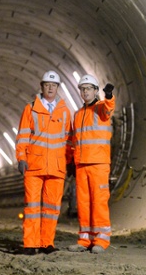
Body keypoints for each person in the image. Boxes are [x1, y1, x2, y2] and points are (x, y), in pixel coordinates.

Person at [16, 70, 72, 255]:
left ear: (57, 88)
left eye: (53, 85)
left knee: (52, 208)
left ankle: (46, 242)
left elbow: (68, 139)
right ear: (41, 87)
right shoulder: (30, 108)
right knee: (31, 207)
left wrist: (69, 161)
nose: (50, 88)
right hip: (34, 165)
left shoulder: (64, 111)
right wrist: (21, 158)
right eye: (47, 85)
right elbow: (23, 135)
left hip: (56, 167)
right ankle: (30, 244)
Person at [67, 74, 115, 254]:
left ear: (95, 90)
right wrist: (70, 161)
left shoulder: (101, 108)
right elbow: (73, 140)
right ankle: (85, 239)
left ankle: (101, 240)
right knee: (84, 203)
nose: (85, 92)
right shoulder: (78, 115)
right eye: (82, 89)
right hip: (81, 165)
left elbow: (109, 106)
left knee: (99, 202)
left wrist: (109, 96)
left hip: (99, 164)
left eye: (88, 88)